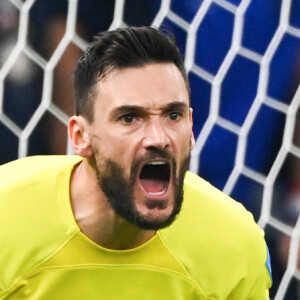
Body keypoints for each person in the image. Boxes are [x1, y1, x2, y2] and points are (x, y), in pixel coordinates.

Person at [0, 26, 272, 299]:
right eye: (129, 118)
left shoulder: (233, 245)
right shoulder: (7, 217)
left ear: (191, 128)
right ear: (80, 137)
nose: (158, 138)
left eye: (173, 115)